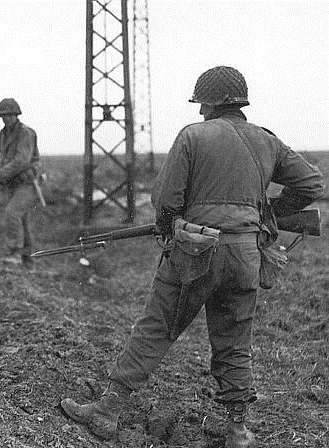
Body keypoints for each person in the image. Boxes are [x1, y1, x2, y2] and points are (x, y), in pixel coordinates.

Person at [60, 66, 325, 448]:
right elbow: (313, 183)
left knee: (157, 327)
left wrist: (171, 227)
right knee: (235, 342)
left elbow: (166, 199)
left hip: (196, 253)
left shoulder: (193, 136)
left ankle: (106, 411)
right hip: (247, 256)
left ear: (211, 103)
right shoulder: (268, 141)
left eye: (202, 103)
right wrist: (267, 212)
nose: (200, 110)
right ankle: (236, 431)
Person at [0, 98, 41, 267]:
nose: (6, 119)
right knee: (22, 220)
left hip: (28, 183)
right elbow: (5, 159)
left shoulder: (25, 133)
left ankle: (15, 253)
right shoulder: (3, 134)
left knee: (12, 213)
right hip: (14, 183)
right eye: (3, 116)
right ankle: (28, 260)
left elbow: (22, 160)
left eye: (9, 115)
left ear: (16, 115)